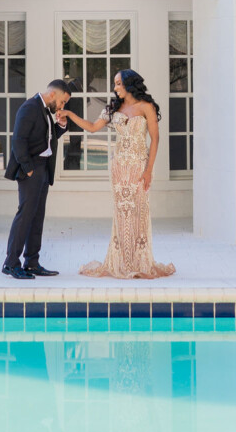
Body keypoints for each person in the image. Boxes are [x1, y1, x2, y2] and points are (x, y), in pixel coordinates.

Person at [62, 69, 176, 279]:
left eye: (118, 84)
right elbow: (93, 128)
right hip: (119, 168)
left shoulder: (146, 107)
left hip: (139, 168)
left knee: (139, 213)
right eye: (115, 84)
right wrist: (70, 114)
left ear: (129, 84)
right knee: (121, 214)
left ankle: (140, 261)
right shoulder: (113, 108)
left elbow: (155, 139)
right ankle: (121, 261)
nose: (114, 88)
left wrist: (149, 170)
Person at [3, 79, 72, 279]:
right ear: (53, 95)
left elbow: (46, 140)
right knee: (25, 216)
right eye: (62, 102)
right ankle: (11, 263)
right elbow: (18, 140)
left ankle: (32, 262)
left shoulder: (45, 110)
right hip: (31, 170)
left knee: (36, 217)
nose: (62, 106)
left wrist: (61, 126)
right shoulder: (30, 107)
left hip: (43, 169)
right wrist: (28, 169)